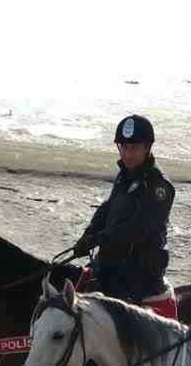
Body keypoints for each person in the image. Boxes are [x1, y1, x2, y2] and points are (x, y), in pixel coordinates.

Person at [73, 114, 174, 304]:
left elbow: (137, 230)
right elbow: (108, 208)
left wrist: (97, 239)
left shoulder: (157, 186)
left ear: (147, 147)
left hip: (138, 272)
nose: (128, 154)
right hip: (113, 262)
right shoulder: (125, 175)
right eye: (124, 148)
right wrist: (88, 234)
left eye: (134, 148)